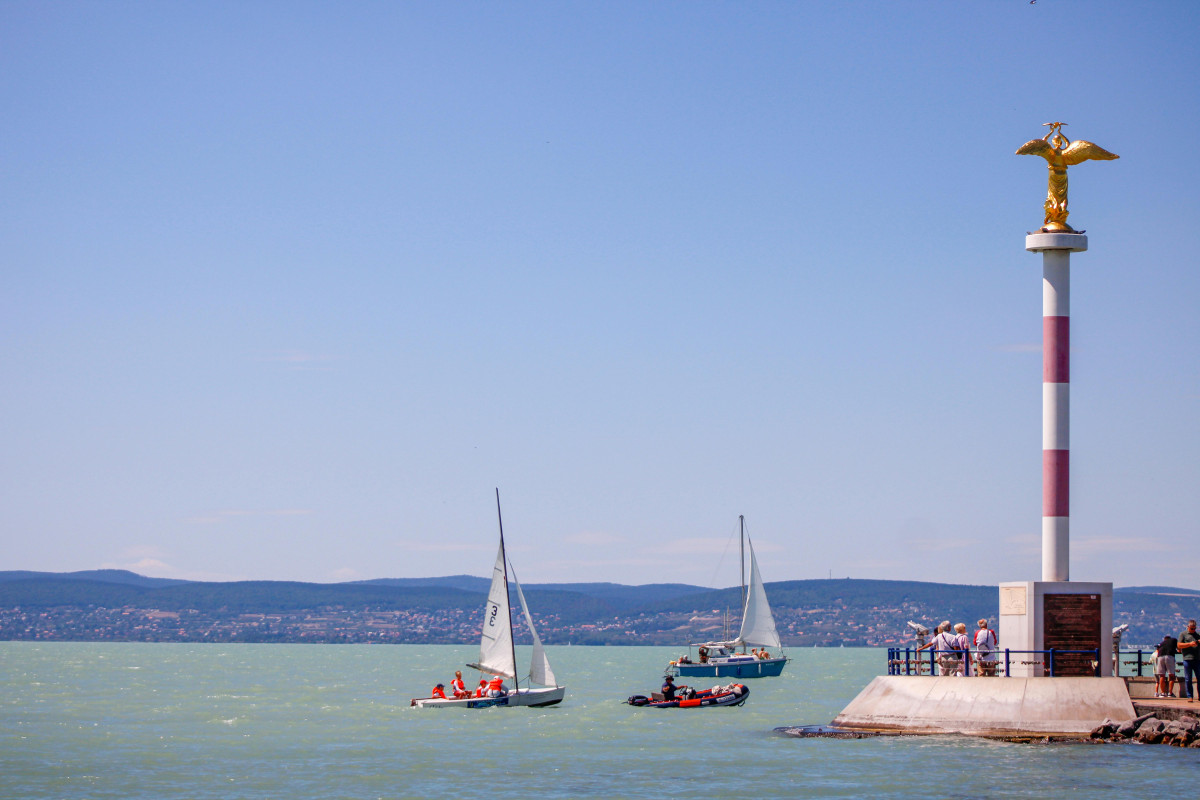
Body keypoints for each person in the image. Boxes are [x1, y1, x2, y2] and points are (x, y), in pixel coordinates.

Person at [1179, 620, 1199, 702]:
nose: (1193, 630)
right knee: (1188, 679)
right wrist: (1190, 644)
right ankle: (1190, 696)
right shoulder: (1183, 634)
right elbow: (1179, 645)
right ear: (1188, 627)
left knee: (1199, 678)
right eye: (1192, 628)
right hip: (1187, 659)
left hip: (1198, 659)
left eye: (1194, 628)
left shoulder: (1198, 635)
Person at [1156, 633, 1179, 698]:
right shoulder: (1174, 640)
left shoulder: (1162, 643)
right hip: (1169, 656)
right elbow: (1179, 649)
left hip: (1160, 657)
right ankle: (1170, 693)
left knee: (1162, 676)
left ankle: (1163, 693)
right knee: (1171, 675)